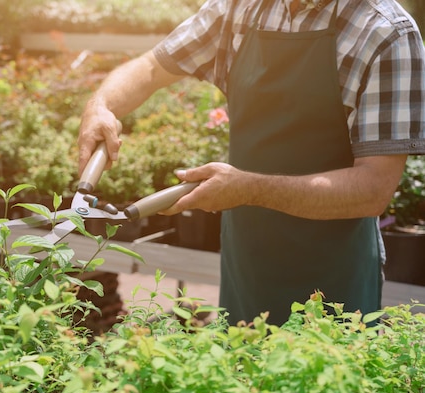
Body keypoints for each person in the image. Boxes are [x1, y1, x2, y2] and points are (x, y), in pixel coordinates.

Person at [77, 0, 425, 325]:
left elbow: (373, 189)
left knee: (322, 386)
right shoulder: (241, 8)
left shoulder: (386, 33)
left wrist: (248, 188)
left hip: (333, 276)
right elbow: (153, 67)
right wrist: (101, 105)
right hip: (247, 264)